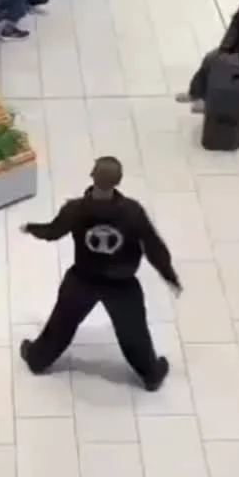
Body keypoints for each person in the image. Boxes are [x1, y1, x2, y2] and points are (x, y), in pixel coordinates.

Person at [19, 156, 181, 388]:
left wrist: (32, 228)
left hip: (83, 278)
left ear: (92, 175)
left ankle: (37, 359)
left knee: (62, 322)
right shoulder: (132, 212)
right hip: (122, 284)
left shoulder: (75, 209)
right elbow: (153, 247)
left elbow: (53, 231)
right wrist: (169, 275)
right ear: (119, 181)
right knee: (134, 332)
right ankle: (151, 374)